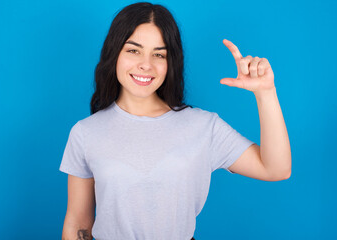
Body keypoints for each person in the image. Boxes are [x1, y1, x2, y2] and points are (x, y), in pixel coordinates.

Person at [59, 2, 291, 240]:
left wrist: (266, 93)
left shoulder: (203, 126)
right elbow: (78, 223)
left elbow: (276, 169)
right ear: (114, 53)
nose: (146, 64)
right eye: (133, 50)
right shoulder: (85, 133)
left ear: (171, 63)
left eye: (159, 54)